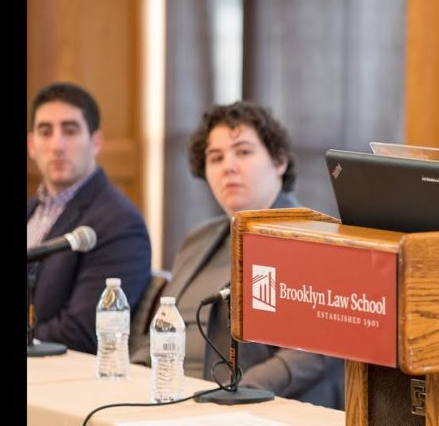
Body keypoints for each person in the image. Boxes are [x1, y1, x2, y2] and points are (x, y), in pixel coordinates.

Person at [131, 101, 345, 409]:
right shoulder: (198, 238)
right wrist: (136, 372)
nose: (228, 166)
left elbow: (320, 348)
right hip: (170, 397)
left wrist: (240, 390)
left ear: (279, 162)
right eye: (215, 157)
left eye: (243, 152)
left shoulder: (314, 236)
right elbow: (163, 323)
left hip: (254, 405)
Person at [27, 82, 152, 355]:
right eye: (45, 132)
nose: (57, 145)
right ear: (31, 145)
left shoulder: (119, 222)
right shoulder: (32, 210)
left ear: (95, 142)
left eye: (70, 131)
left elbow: (84, 332)